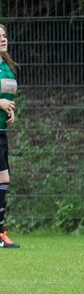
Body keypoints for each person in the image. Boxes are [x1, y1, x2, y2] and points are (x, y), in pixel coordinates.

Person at [0, 24, 20, 249]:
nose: (3, 39)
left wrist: (10, 110)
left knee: (3, 180)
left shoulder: (7, 67)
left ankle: (0, 233)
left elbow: (7, 96)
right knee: (3, 179)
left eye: (4, 35)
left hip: (1, 132)